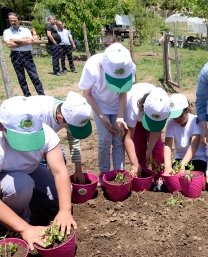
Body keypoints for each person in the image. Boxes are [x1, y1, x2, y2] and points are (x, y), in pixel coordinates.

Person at [0, 97, 77, 250]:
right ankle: (17, 223)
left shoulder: (46, 133)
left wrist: (64, 210)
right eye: (20, 138)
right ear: (1, 127)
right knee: (21, 186)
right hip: (2, 178)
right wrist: (25, 229)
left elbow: (60, 172)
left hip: (31, 171)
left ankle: (19, 205)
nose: (27, 145)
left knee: (63, 192)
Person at [79, 42, 135, 186]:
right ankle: (104, 172)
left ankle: (118, 172)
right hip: (99, 104)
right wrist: (102, 117)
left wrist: (120, 117)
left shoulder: (129, 66)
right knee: (105, 139)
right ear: (103, 66)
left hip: (118, 104)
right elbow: (87, 94)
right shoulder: (92, 66)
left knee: (118, 138)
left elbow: (123, 92)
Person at [28, 92, 93, 183]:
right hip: (29, 142)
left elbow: (74, 140)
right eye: (71, 127)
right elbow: (32, 145)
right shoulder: (39, 115)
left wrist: (78, 170)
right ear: (60, 117)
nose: (71, 130)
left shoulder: (69, 110)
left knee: (60, 156)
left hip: (43, 139)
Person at [124, 84, 170, 176]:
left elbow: (156, 129)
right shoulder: (132, 108)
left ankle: (158, 174)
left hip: (147, 113)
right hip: (136, 118)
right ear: (143, 106)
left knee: (157, 146)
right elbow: (128, 137)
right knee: (138, 144)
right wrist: (134, 163)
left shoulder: (164, 106)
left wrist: (150, 149)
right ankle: (140, 171)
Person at [164, 94, 207, 175]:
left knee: (194, 176)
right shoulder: (171, 123)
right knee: (173, 176)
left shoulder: (195, 120)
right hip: (180, 158)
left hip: (198, 158)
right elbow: (168, 145)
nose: (177, 119)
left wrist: (182, 165)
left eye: (180, 115)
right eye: (174, 116)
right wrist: (167, 166)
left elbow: (194, 144)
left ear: (188, 109)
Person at [3, 12, 45, 97]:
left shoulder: (25, 30)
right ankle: (27, 95)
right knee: (21, 77)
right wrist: (23, 42)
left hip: (27, 55)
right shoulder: (7, 32)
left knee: (34, 76)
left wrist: (15, 40)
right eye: (11, 21)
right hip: (15, 55)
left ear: (19, 20)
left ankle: (41, 95)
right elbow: (9, 44)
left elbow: (30, 41)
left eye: (14, 20)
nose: (13, 22)